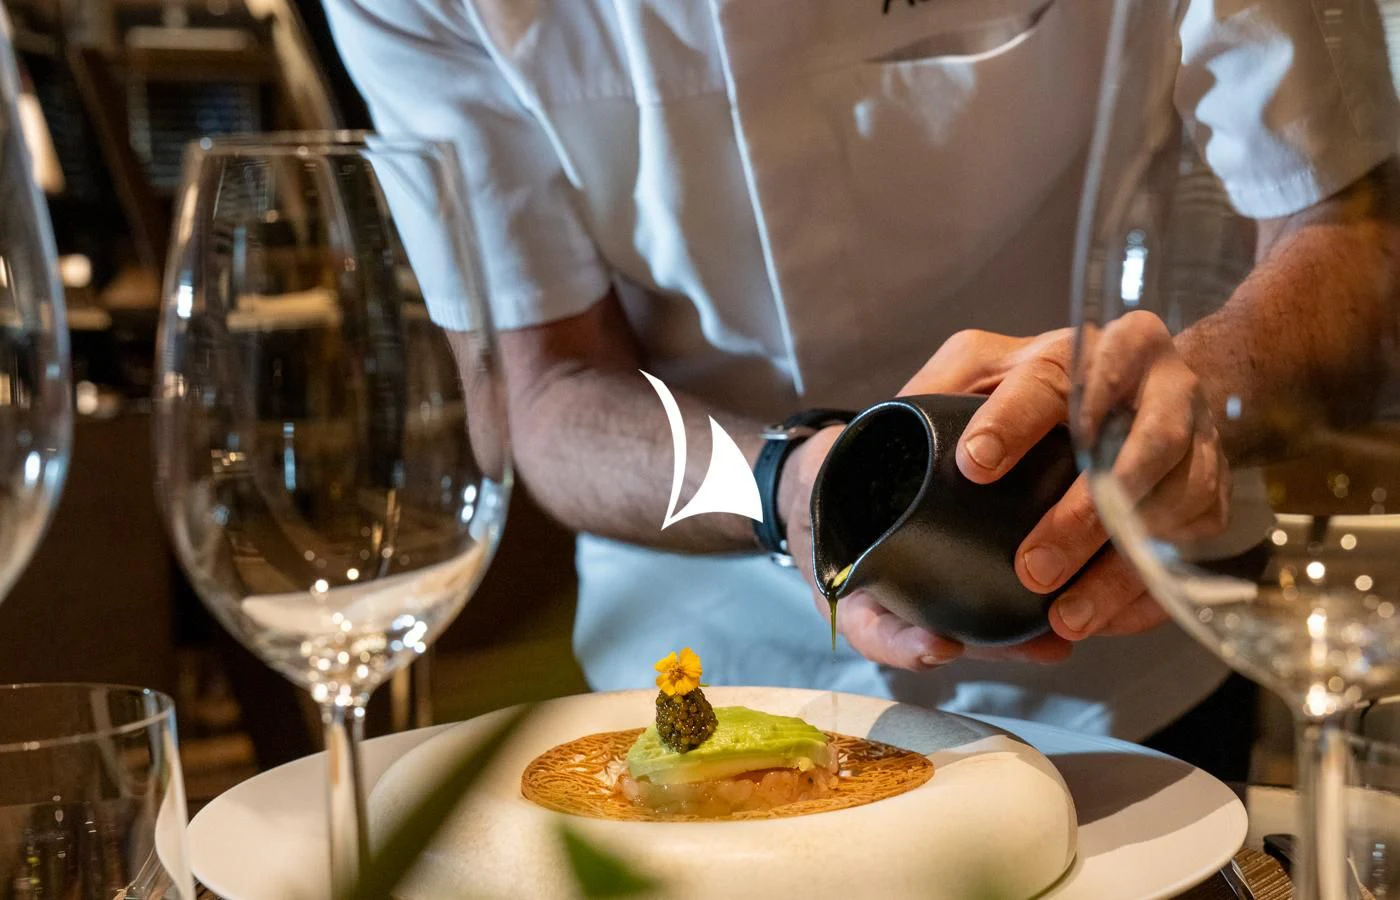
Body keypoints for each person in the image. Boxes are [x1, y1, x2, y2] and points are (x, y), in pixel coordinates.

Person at [320, 0, 1400, 779]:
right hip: (701, 677)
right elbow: (543, 389)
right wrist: (788, 485)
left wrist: (1179, 404)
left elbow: (1353, 244)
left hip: (1120, 679)